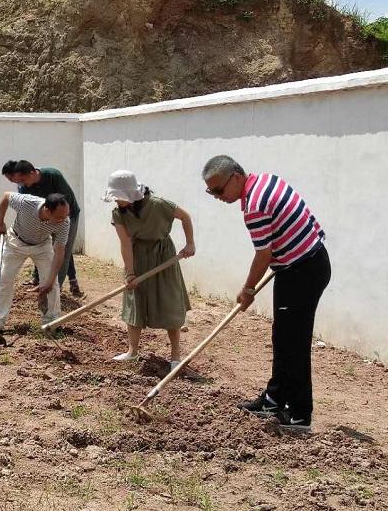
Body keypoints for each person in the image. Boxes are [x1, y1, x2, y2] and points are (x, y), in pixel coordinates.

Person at [203, 155, 330, 432]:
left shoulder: (255, 206)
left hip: (302, 272)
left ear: (236, 177)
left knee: (294, 342)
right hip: (302, 265)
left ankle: (298, 415)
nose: (216, 197)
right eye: (211, 192)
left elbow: (263, 254)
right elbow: (307, 219)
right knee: (283, 337)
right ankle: (274, 399)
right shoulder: (267, 180)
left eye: (218, 190)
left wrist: (248, 289)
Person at [105, 170, 194, 370]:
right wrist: (130, 273)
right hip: (137, 257)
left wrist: (190, 244)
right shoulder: (118, 213)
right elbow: (125, 243)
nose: (115, 201)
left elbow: (185, 217)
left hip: (164, 256)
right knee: (134, 303)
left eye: (118, 197)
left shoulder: (159, 204)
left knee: (169, 302)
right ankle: (132, 351)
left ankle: (175, 356)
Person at [0, 192, 70, 345]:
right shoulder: (27, 203)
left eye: (65, 216)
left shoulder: (64, 222)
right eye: (59, 217)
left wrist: (49, 280)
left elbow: (60, 250)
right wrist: (0, 223)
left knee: (53, 283)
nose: (63, 220)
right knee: (4, 279)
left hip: (43, 246)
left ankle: (52, 322)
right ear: (47, 210)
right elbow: (5, 197)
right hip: (16, 242)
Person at [13, 160, 84, 297]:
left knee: (62, 249)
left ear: (33, 173)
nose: (21, 184)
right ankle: (39, 279)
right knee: (41, 244)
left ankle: (56, 287)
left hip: (67, 215)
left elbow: (67, 201)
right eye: (19, 181)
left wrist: (60, 220)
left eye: (23, 179)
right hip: (46, 215)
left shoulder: (53, 175)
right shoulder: (24, 187)